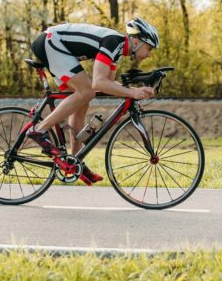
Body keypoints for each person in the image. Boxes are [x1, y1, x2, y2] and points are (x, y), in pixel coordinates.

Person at [26, 18, 159, 185]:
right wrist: (132, 92)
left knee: (82, 99)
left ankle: (75, 161)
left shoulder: (116, 51)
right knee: (86, 91)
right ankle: (40, 130)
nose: (149, 54)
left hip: (54, 45)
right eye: (149, 48)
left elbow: (107, 85)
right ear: (137, 41)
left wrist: (134, 89)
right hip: (51, 41)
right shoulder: (113, 42)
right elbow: (98, 83)